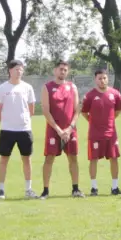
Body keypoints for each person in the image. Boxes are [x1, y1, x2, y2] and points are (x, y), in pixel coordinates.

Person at [0, 59, 38, 199]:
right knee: (3, 160)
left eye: (21, 69)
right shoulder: (2, 88)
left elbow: (31, 109)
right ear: (10, 71)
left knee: (27, 159)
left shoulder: (27, 88)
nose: (19, 72)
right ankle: (1, 189)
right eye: (16, 69)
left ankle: (28, 189)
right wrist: (7, 122)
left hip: (24, 129)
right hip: (7, 130)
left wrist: (22, 120)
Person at [40, 60, 83, 199]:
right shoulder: (47, 87)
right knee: (49, 159)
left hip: (70, 129)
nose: (63, 72)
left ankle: (75, 189)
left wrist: (70, 128)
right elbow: (46, 111)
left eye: (65, 69)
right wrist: (58, 130)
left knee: (73, 158)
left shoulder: (72, 87)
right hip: (54, 129)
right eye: (60, 69)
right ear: (55, 70)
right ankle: (45, 191)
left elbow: (77, 110)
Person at [82, 67, 121, 196]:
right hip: (95, 134)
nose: (102, 80)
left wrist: (108, 122)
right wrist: (93, 122)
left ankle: (115, 188)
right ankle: (94, 188)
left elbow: (117, 112)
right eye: (99, 78)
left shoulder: (115, 94)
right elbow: (84, 112)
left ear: (108, 78)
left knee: (114, 158)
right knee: (93, 159)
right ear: (95, 79)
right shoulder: (89, 95)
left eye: (104, 78)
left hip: (111, 134)